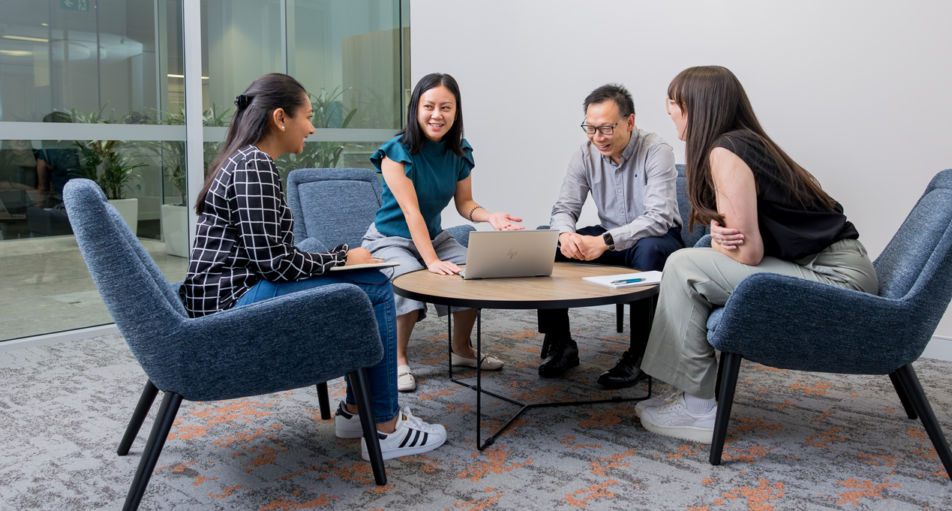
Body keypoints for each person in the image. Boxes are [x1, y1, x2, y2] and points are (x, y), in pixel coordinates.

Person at [179, 73, 447, 461]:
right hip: (230, 305)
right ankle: (386, 427)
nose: (312, 126)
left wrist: (340, 261)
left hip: (227, 295)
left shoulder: (244, 159)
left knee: (364, 282)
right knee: (373, 287)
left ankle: (357, 412)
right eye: (306, 115)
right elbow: (275, 263)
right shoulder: (254, 166)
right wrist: (342, 257)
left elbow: (269, 257)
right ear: (280, 118)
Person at [638, 66, 878, 443]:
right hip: (830, 267)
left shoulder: (725, 151)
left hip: (838, 280)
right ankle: (689, 393)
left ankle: (698, 410)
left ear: (696, 106)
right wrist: (720, 235)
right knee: (693, 259)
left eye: (673, 101)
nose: (668, 109)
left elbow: (748, 252)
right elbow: (750, 234)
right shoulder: (742, 143)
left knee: (683, 265)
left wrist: (719, 241)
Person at [362, 73, 523, 392]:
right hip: (389, 238)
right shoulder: (396, 151)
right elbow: (411, 212)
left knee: (475, 272)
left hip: (434, 236)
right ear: (416, 109)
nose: (437, 115)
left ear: (456, 111)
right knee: (407, 277)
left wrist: (490, 217)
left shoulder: (459, 150)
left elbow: (465, 204)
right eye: (429, 106)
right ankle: (398, 360)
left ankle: (461, 350)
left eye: (446, 107)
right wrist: (430, 261)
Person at [539, 84, 685, 388]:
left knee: (649, 253)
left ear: (629, 122)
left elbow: (658, 218)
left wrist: (604, 241)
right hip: (612, 237)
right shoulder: (584, 154)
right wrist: (565, 235)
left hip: (658, 237)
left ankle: (641, 355)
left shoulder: (657, 151)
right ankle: (562, 344)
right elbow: (565, 207)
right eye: (590, 128)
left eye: (605, 128)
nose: (597, 137)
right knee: (545, 243)